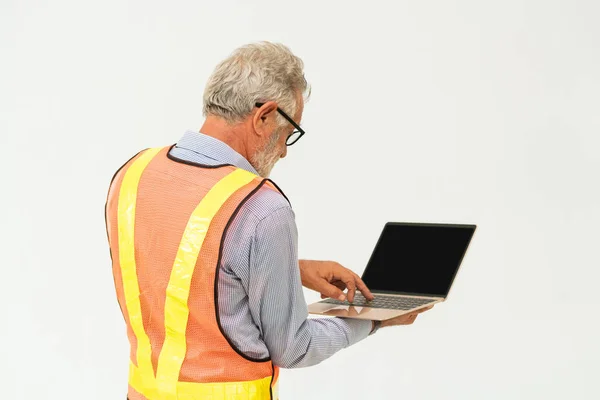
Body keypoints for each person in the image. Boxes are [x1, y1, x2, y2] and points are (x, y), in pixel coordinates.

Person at [105, 41, 433, 400]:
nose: (284, 150)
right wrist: (374, 320)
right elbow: (295, 347)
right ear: (264, 116)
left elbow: (172, 266)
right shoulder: (261, 207)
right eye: (289, 132)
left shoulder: (133, 174)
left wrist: (291, 269)